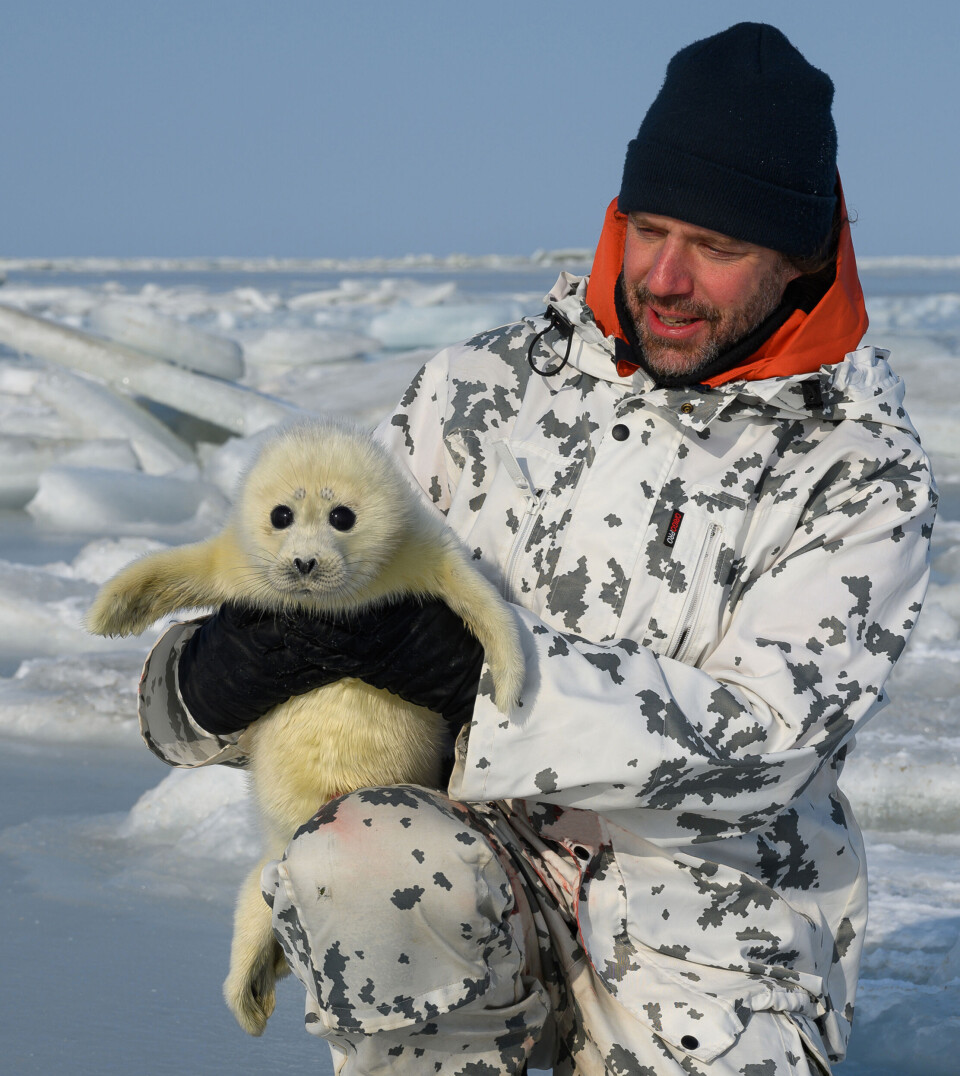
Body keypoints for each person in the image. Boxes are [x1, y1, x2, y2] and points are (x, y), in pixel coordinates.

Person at [138, 22, 936, 1076]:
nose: (666, 275)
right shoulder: (482, 391)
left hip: (711, 926)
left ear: (799, 257)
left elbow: (768, 735)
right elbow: (313, 591)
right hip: (469, 861)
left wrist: (483, 676)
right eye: (648, 227)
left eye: (719, 247)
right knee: (360, 857)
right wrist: (204, 685)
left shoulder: (861, 471)